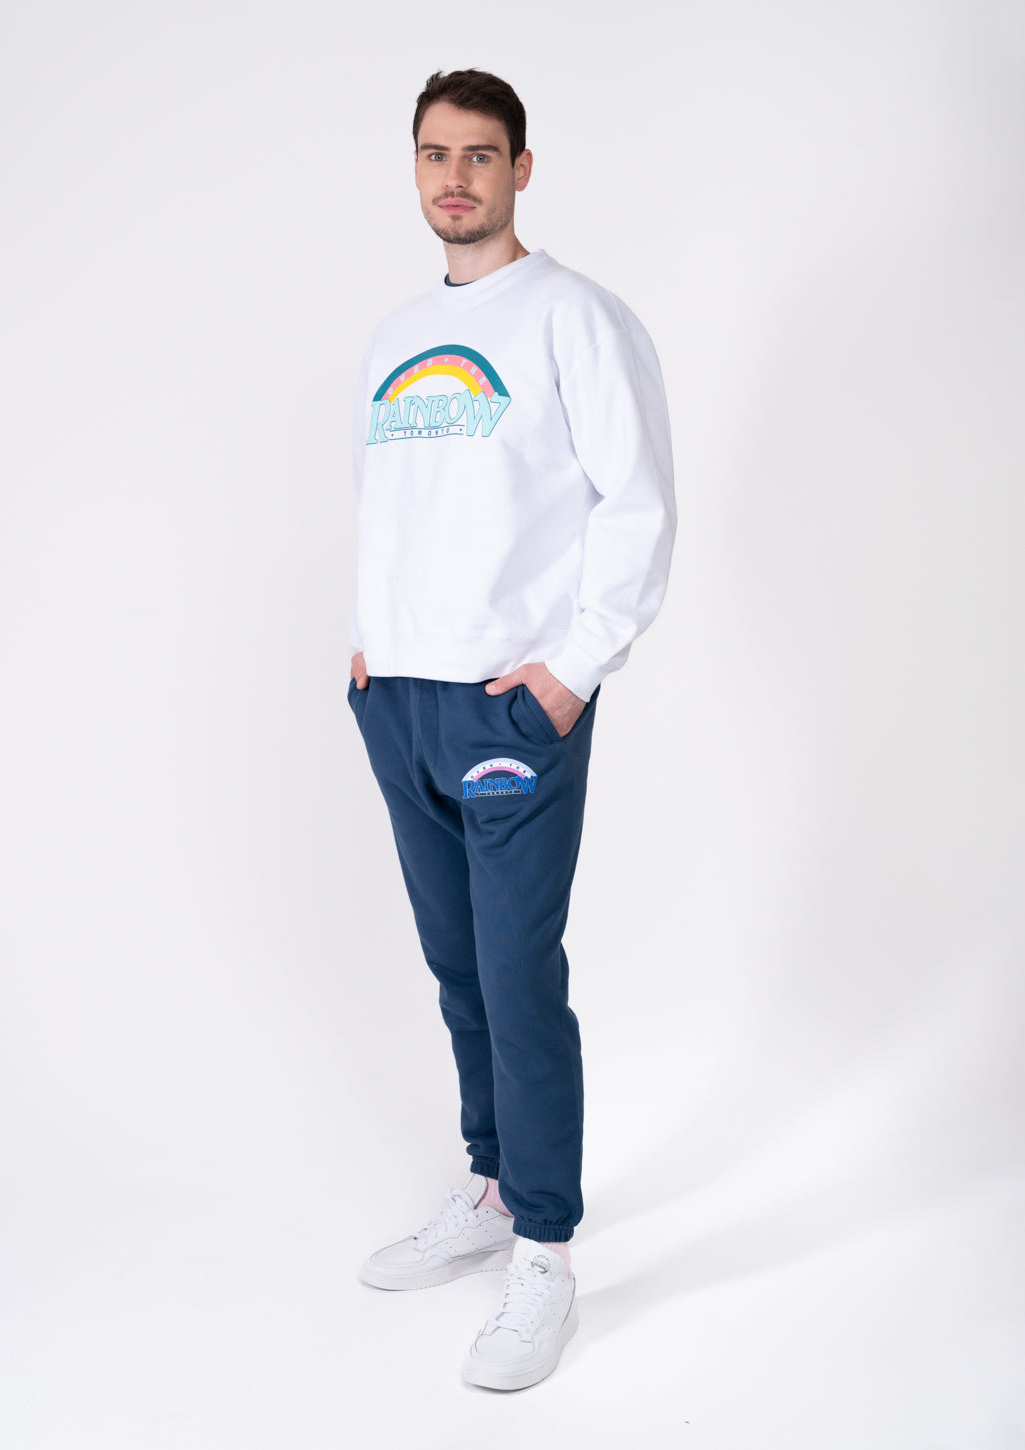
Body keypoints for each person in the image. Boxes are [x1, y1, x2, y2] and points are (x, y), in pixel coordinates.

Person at [346, 68, 676, 1391]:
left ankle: (545, 1246)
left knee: (517, 975)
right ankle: (489, 1188)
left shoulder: (574, 317)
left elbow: (637, 501)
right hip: (400, 699)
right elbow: (398, 504)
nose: (456, 177)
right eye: (435, 154)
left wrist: (573, 671)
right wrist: (370, 652)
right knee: (457, 971)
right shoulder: (392, 335)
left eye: (480, 155)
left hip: (509, 703)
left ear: (520, 169)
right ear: (416, 167)